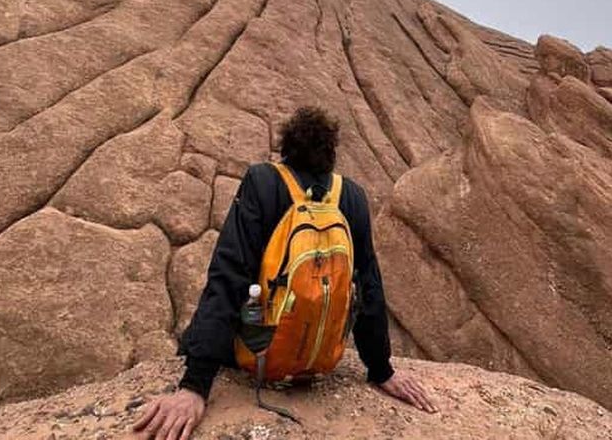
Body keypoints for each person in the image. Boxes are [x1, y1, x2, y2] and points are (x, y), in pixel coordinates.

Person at [134, 106, 436, 439]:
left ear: (285, 149)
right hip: (319, 361)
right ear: (331, 154)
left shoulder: (262, 182)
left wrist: (194, 386)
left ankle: (193, 359)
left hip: (254, 355)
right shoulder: (351, 197)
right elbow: (369, 286)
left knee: (190, 338)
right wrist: (381, 370)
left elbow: (230, 276)